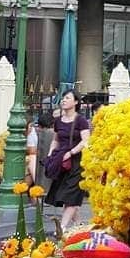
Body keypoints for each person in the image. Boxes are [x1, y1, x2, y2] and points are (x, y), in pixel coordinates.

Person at [44, 89, 90, 230]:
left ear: (76, 102)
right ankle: (79, 226)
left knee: (71, 195)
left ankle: (62, 228)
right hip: (62, 162)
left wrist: (71, 152)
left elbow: (86, 141)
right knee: (66, 196)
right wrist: (50, 154)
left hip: (77, 161)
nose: (64, 100)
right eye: (63, 98)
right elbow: (56, 140)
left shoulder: (81, 121)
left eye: (68, 98)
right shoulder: (58, 121)